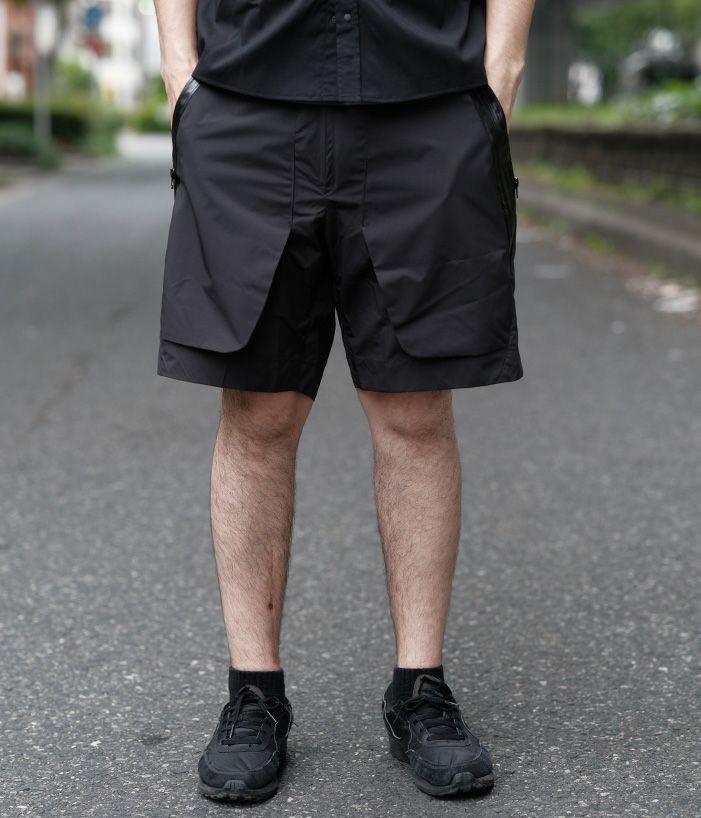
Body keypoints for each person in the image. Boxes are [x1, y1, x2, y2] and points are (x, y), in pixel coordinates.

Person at [153, 0, 535, 803]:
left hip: (426, 100)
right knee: (258, 410)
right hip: (248, 99)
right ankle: (254, 695)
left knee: (413, 410)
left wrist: (500, 69)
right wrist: (177, 68)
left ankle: (419, 691)